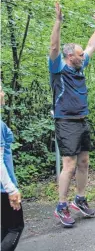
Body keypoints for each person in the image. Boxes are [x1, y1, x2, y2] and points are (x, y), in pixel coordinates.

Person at [49, 2, 95, 227]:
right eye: (79, 54)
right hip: (65, 122)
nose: (84, 55)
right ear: (69, 56)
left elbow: (92, 45)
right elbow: (54, 46)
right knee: (70, 165)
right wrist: (58, 22)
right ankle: (61, 205)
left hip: (82, 120)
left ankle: (79, 200)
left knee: (84, 162)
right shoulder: (57, 68)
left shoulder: (80, 65)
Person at [1, 84, 24, 251]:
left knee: (4, 228)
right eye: (0, 90)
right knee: (15, 227)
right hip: (3, 187)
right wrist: (11, 189)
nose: (3, 93)